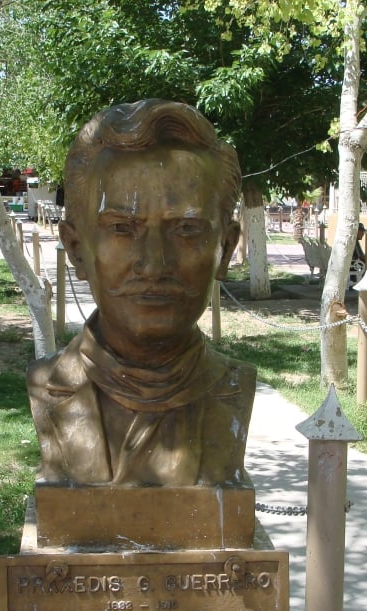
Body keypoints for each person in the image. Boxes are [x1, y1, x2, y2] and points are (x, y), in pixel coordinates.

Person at [27, 99, 254, 488]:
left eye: (186, 229)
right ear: (78, 250)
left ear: (225, 250)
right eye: (121, 228)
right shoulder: (47, 384)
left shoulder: (234, 386)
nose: (154, 264)